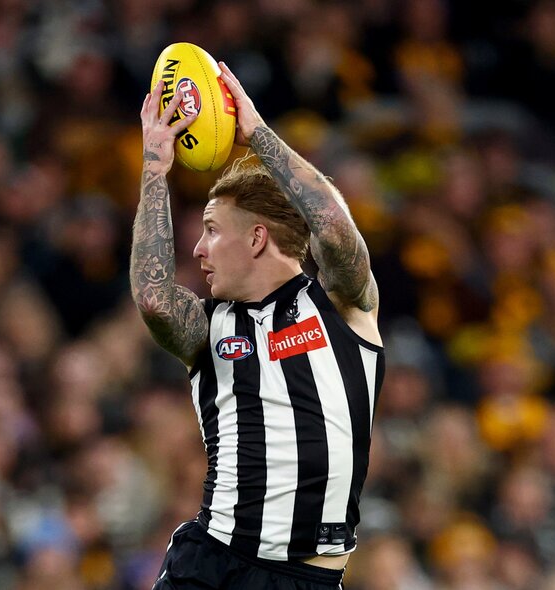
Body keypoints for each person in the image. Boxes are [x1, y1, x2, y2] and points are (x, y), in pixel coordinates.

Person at [131, 61, 384, 590]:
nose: (197, 250)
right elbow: (154, 298)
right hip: (209, 562)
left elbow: (336, 230)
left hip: (300, 580)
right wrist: (155, 168)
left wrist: (259, 137)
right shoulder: (208, 328)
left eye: (212, 230)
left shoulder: (340, 304)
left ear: (256, 238)